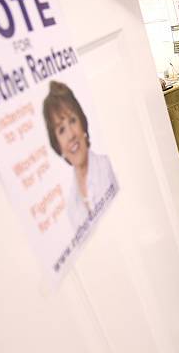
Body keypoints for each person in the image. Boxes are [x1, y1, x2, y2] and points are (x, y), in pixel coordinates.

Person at [43, 81, 118, 240]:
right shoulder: (71, 204)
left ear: (82, 123)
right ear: (57, 145)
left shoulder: (107, 166)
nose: (70, 135)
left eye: (72, 120)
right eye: (61, 130)